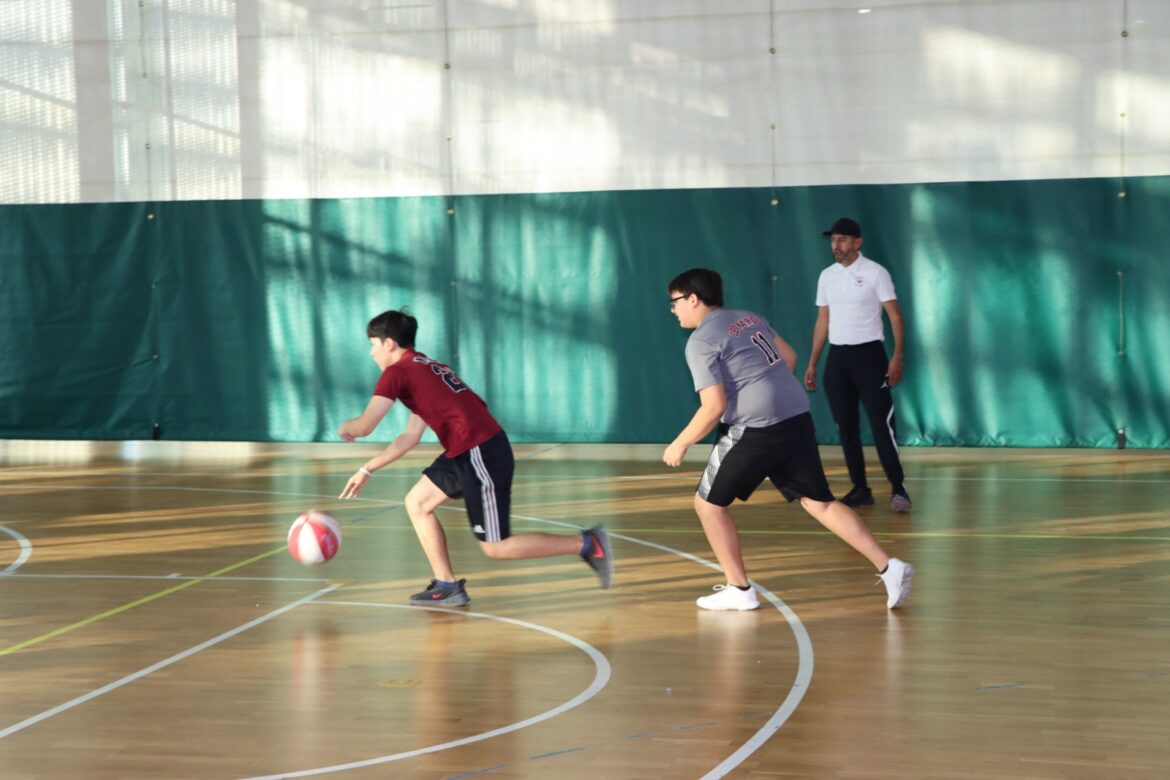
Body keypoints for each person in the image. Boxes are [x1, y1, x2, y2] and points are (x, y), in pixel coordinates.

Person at [663, 268, 913, 611]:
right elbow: (790, 359)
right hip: (794, 413)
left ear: (693, 299)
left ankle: (739, 589)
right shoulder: (749, 317)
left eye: (674, 302)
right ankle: (889, 567)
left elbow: (713, 407)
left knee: (707, 504)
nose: (673, 310)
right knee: (819, 501)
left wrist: (680, 444)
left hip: (756, 426)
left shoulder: (702, 340)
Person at [337, 308, 613, 606]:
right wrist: (367, 469)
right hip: (464, 451)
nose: (371, 353)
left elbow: (365, 425)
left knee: (496, 547)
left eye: (372, 344)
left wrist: (347, 427)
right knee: (417, 502)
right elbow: (410, 437)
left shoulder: (397, 372)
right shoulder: (423, 367)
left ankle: (588, 544)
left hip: (479, 451)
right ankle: (447, 585)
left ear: (389, 343)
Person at [803, 217, 912, 513]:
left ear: (857, 243)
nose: (836, 246)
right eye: (833, 240)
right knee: (846, 428)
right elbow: (823, 321)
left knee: (881, 425)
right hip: (838, 360)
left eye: (842, 240)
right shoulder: (826, 276)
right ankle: (860, 489)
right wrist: (813, 363)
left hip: (871, 358)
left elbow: (895, 317)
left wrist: (897, 356)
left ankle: (898, 488)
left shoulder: (876, 273)